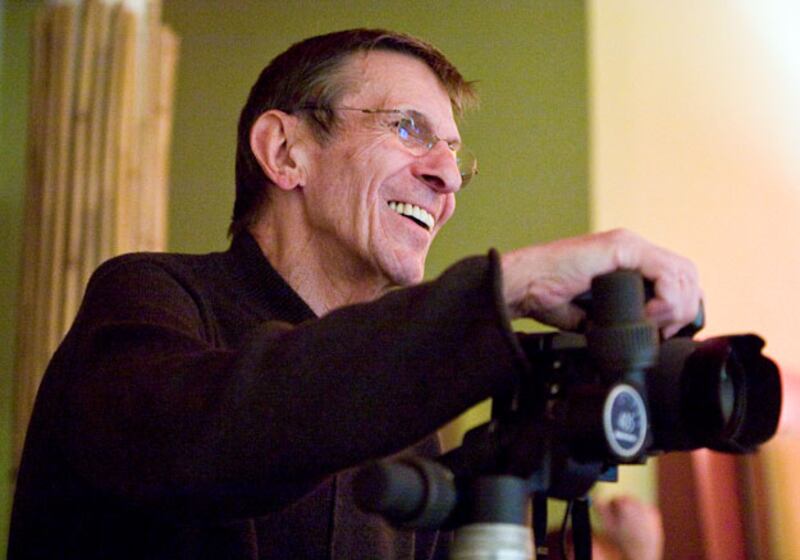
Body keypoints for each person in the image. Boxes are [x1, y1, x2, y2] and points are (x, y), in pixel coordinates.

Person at [8, 29, 700, 559]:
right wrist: (510, 286)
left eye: (455, 154)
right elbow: (201, 438)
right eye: (408, 128)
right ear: (284, 152)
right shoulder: (149, 295)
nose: (447, 178)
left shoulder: (408, 416)